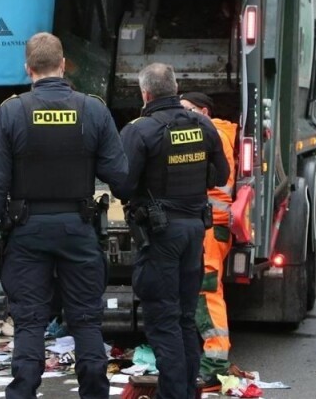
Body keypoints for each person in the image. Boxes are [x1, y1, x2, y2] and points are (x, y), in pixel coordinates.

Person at [0, 32, 128, 399]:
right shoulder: (92, 109)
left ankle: (23, 392)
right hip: (78, 228)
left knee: (29, 323)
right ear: (63, 65)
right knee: (87, 322)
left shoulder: (12, 111)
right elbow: (120, 177)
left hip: (26, 232)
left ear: (28, 68)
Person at [113, 64, 230, 399]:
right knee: (183, 318)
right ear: (176, 88)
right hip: (195, 231)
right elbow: (220, 176)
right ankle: (185, 392)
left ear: (145, 94)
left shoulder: (140, 131)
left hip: (161, 235)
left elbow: (123, 184)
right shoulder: (203, 125)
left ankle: (174, 394)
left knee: (163, 320)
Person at [179, 92, 238, 388]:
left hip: (210, 227)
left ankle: (215, 362)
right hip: (210, 227)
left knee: (206, 293)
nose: (182, 115)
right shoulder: (217, 132)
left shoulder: (211, 134)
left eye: (187, 110)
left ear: (203, 110)